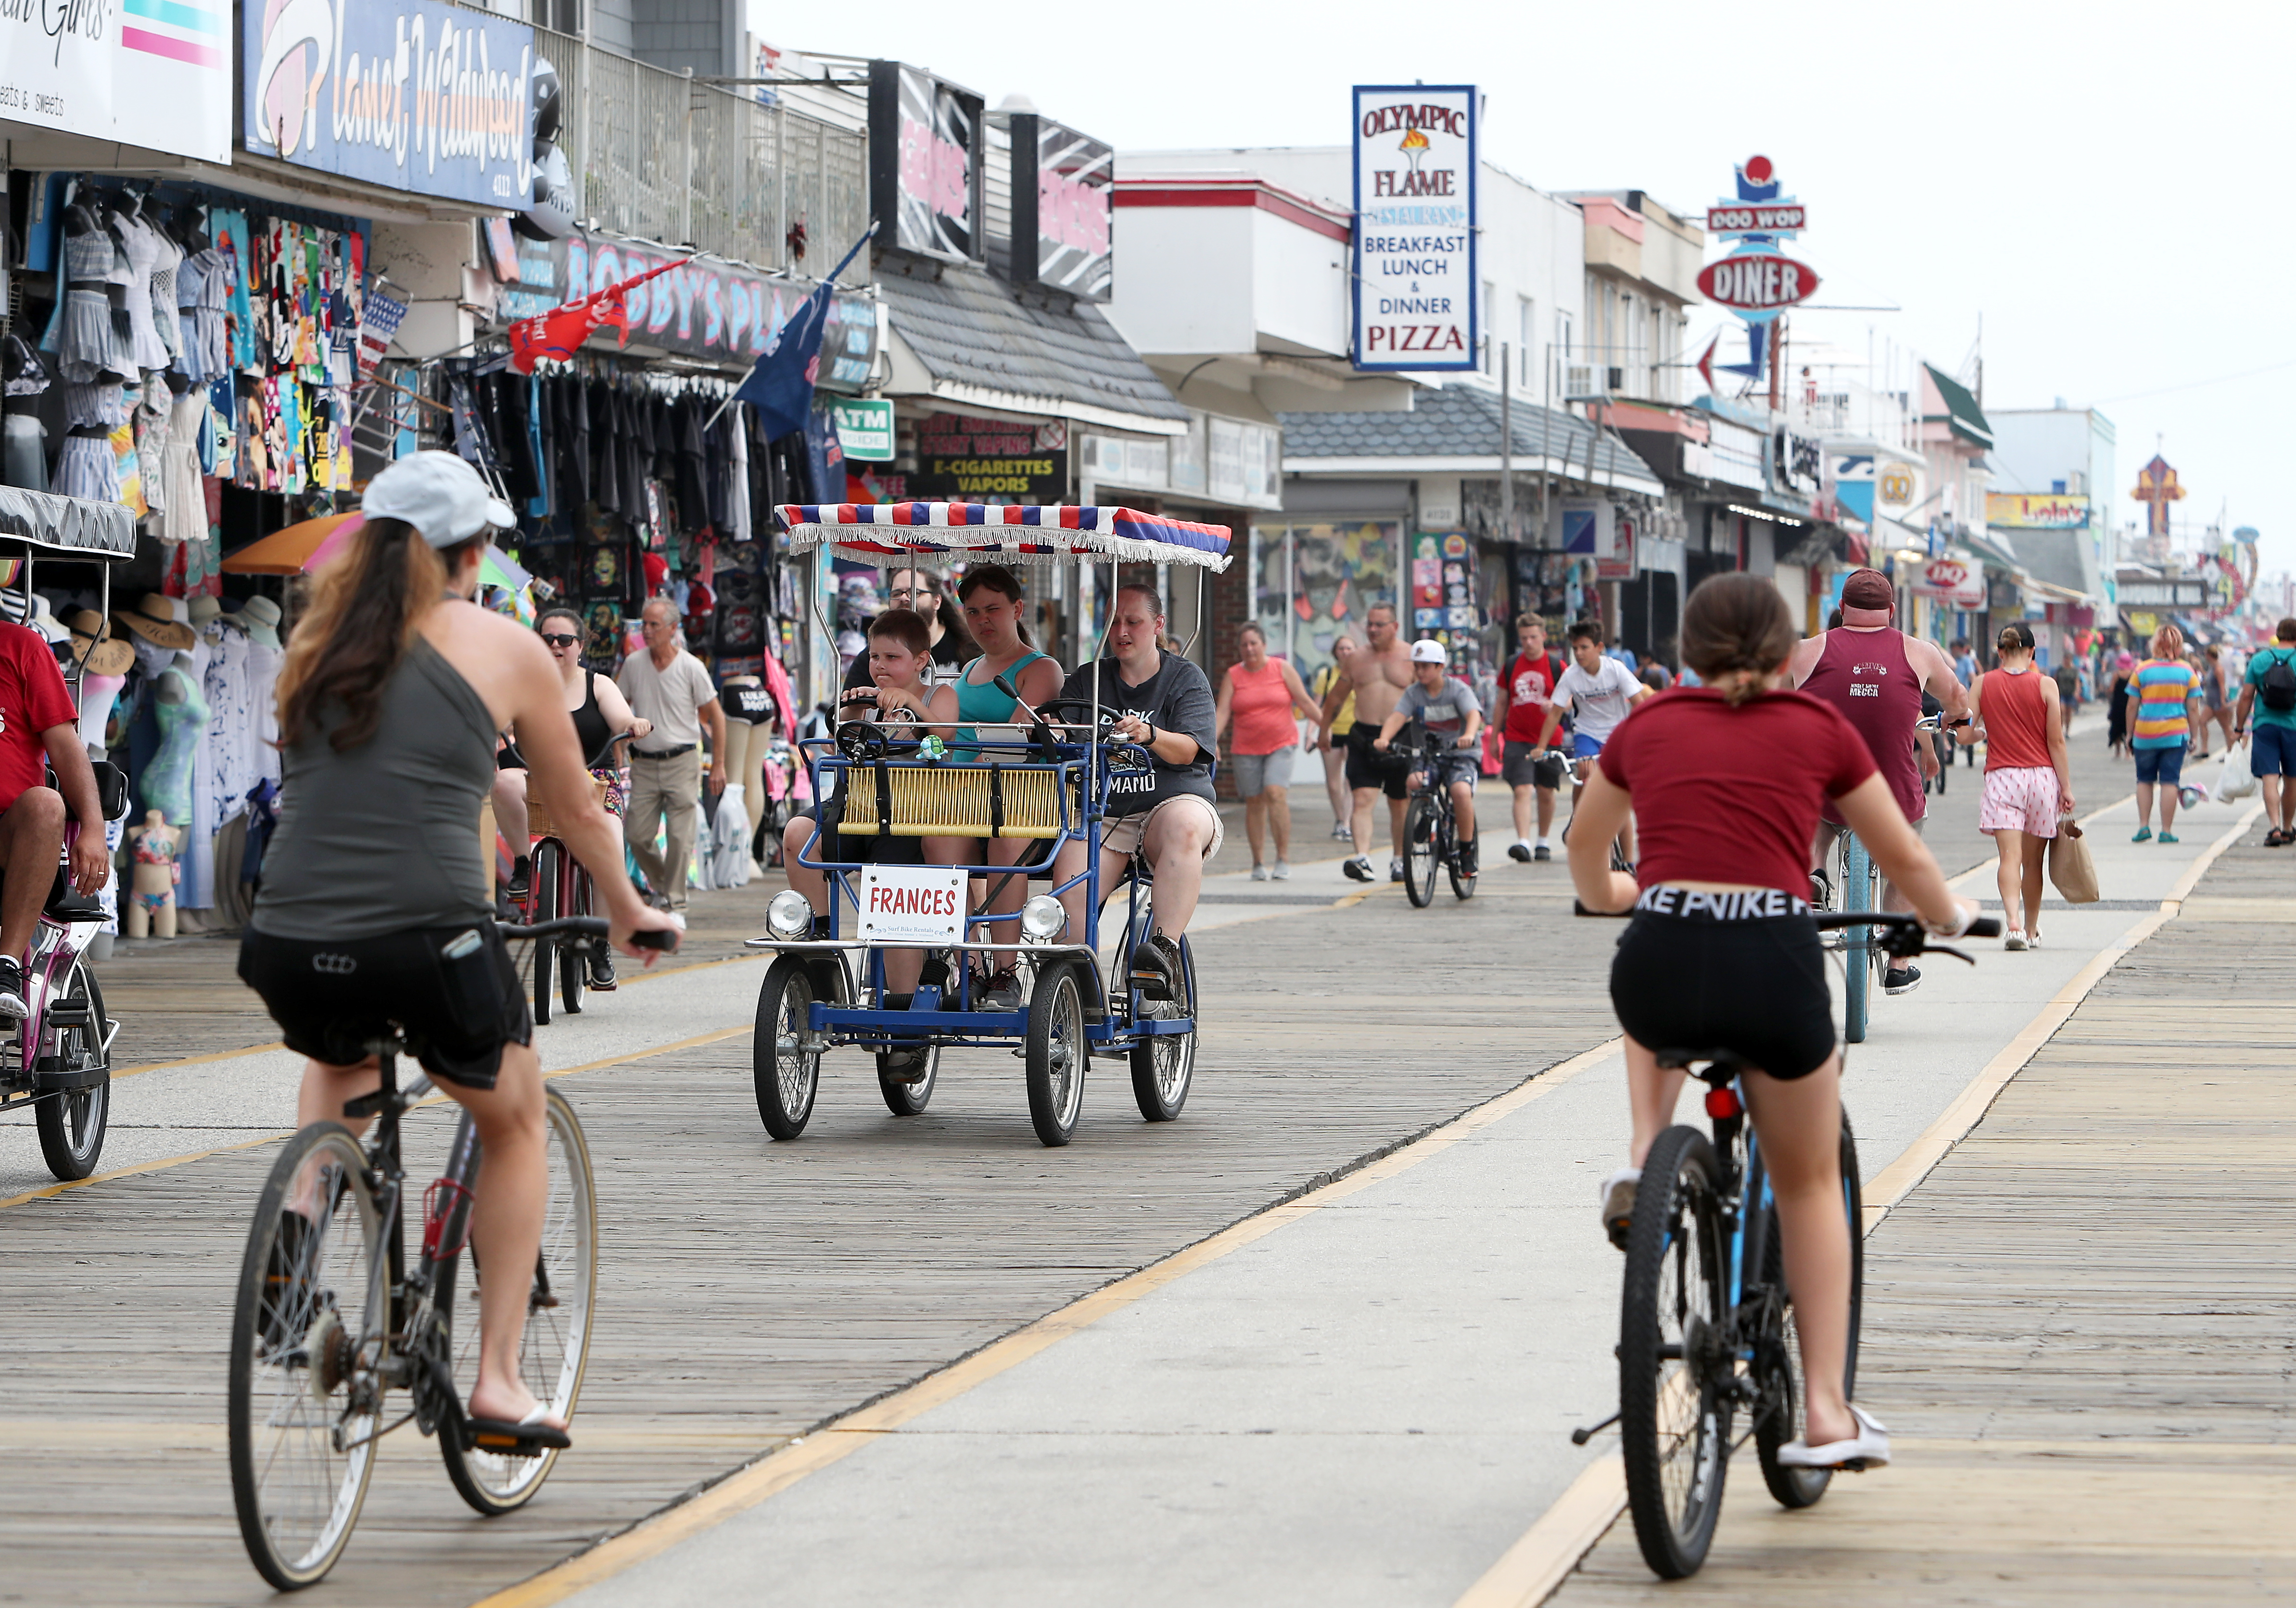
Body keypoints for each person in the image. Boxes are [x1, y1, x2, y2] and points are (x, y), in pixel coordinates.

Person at [239, 451, 678, 1449]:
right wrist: (630, 911)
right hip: (428, 935)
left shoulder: (313, 640)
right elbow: (570, 809)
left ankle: (301, 1223)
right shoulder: (506, 646)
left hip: (286, 937)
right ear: (474, 550)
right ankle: (494, 1383)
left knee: (338, 1054)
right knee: (515, 1116)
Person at [1570, 572, 1975, 1471]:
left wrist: (1613, 895)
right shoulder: (1815, 728)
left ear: (1690, 646)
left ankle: (1645, 1158)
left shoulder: (1645, 725)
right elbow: (1899, 849)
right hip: (1771, 959)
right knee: (1805, 1185)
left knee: (1651, 960)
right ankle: (1824, 1412)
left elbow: (1585, 852)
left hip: (1663, 955)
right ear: (1782, 646)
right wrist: (1947, 918)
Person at [1788, 567, 1970, 995]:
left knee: (1817, 815)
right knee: (1906, 861)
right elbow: (1957, 698)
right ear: (1891, 610)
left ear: (1841, 609)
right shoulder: (1919, 653)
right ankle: (1899, 961)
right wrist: (1956, 719)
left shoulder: (1805, 651)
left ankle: (1815, 872)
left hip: (1826, 786)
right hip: (1892, 790)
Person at [1050, 585, 1221, 1000]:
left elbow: (1191, 751)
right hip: (1104, 814)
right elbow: (1059, 732)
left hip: (1168, 805)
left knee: (1185, 826)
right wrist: (1054, 731)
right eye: (1115, 622)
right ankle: (1072, 1003)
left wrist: (1151, 734)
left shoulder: (1184, 677)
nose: (1122, 632)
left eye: (1133, 622)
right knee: (1066, 909)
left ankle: (1162, 950)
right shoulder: (1087, 678)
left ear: (1158, 625)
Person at [937, 563, 1063, 1008]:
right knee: (935, 841)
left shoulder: (1040, 668)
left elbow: (1015, 739)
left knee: (1005, 839)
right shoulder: (969, 667)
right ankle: (967, 965)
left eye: (993, 609)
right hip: (958, 792)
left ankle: (1006, 972)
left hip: (1019, 792)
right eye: (972, 612)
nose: (982, 621)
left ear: (1017, 609)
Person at [0, 594, 106, 1015]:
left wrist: (93, 829)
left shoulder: (22, 647)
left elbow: (66, 748)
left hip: (9, 833)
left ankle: (6, 965)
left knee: (46, 803)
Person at [537, 606, 651, 989]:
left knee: (607, 841)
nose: (555, 645)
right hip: (540, 780)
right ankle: (524, 868)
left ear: (580, 646)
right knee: (503, 784)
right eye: (547, 639)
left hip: (596, 780)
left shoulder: (598, 684)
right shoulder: (524, 682)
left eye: (564, 640)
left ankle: (600, 944)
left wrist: (632, 725)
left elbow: (621, 719)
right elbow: (501, 719)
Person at [1963, 623, 2073, 951]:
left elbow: (1966, 734)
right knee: (2031, 863)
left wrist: (1983, 734)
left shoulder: (1982, 684)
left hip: (2002, 778)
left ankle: (2011, 924)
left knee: (2008, 858)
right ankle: (2030, 928)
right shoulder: (2046, 685)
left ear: (1999, 651)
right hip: (2041, 780)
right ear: (2032, 652)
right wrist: (2065, 788)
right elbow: (2055, 741)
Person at [616, 596, 728, 912]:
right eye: (644, 624)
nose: (647, 631)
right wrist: (619, 751)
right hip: (645, 764)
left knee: (680, 839)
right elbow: (617, 706)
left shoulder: (691, 666)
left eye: (654, 625)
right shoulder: (634, 664)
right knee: (637, 836)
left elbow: (716, 716)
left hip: (682, 761)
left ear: (673, 628)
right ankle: (664, 885)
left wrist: (718, 764)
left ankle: (675, 903)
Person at [1533, 619, 1652, 864]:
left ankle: (1629, 863)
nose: (1579, 653)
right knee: (1585, 770)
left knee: (1620, 802)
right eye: (1575, 649)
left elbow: (1640, 702)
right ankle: (1580, 817)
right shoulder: (1571, 676)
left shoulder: (1616, 669)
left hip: (1618, 734)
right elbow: (1555, 712)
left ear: (1599, 648)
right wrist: (1541, 747)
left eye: (1584, 648)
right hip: (1587, 733)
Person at [1213, 621, 1320, 881]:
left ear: (1264, 645)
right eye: (1244, 645)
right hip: (1246, 747)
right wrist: (1211, 740)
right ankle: (1258, 862)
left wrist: (1325, 729)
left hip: (1281, 743)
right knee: (1255, 801)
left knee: (1275, 793)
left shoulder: (1281, 669)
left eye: (1254, 643)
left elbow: (1304, 701)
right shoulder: (1234, 675)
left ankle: (1283, 858)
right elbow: (1224, 710)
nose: (1249, 649)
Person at [1371, 639, 1484, 874]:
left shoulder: (1457, 690)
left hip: (1459, 755)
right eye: (1417, 666)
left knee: (1460, 792)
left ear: (1440, 667)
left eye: (1426, 666)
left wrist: (1469, 734)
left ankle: (1465, 850)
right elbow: (1398, 716)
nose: (1420, 672)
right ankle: (1426, 813)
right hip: (1429, 755)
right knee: (1414, 782)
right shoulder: (1413, 693)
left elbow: (1473, 714)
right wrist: (1384, 738)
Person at [1320, 604, 1414, 883]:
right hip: (1364, 735)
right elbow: (1336, 698)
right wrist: (1323, 729)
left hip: (1401, 737)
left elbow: (1426, 696)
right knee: (1362, 799)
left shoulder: (1410, 657)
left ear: (1394, 627)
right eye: (1369, 624)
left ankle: (1399, 859)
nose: (1372, 630)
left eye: (1379, 625)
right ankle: (1363, 857)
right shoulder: (1356, 658)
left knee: (1399, 803)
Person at [1494, 613, 1569, 862]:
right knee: (1522, 789)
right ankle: (1523, 842)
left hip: (1549, 739)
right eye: (1524, 638)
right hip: (1517, 736)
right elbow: (1502, 701)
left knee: (1546, 791)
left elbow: (1571, 698)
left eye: (1534, 637)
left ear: (1544, 637)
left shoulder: (1558, 666)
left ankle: (1543, 841)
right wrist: (1495, 736)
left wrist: (1557, 705)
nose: (1529, 643)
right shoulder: (1512, 664)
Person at [838, 566, 974, 695]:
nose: (904, 598)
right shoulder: (874, 658)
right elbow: (846, 711)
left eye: (915, 593)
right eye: (897, 594)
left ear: (937, 601)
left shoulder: (967, 651)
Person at [2129, 625, 2201, 843]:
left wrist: (2129, 734)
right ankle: (2166, 830)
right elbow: (2194, 708)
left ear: (2155, 645)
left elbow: (2132, 706)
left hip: (2144, 734)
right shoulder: (2188, 671)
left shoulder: (2141, 670)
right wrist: (2195, 735)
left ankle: (2143, 827)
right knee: (2170, 782)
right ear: (2178, 646)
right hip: (2175, 735)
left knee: (2144, 780)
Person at [2233, 616, 2296, 846]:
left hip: (2265, 726)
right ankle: (2289, 828)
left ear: (2278, 635)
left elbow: (2247, 697)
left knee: (2270, 779)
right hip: (2294, 727)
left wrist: (2239, 729)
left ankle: (2274, 827)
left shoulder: (2259, 660)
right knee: (2292, 780)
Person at [1310, 637, 1361, 840]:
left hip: (1356, 730)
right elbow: (1317, 705)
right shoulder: (1328, 674)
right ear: (1335, 652)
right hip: (1332, 730)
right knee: (1333, 783)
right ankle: (1340, 819)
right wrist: (1311, 733)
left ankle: (1347, 823)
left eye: (1350, 648)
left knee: (1351, 780)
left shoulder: (1361, 673)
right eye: (1341, 648)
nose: (1346, 652)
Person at [2106, 650, 2135, 756]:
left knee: (2117, 728)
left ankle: (2118, 752)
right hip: (2129, 704)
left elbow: (2111, 689)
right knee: (2128, 728)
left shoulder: (2116, 675)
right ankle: (2128, 752)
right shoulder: (2133, 675)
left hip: (2117, 704)